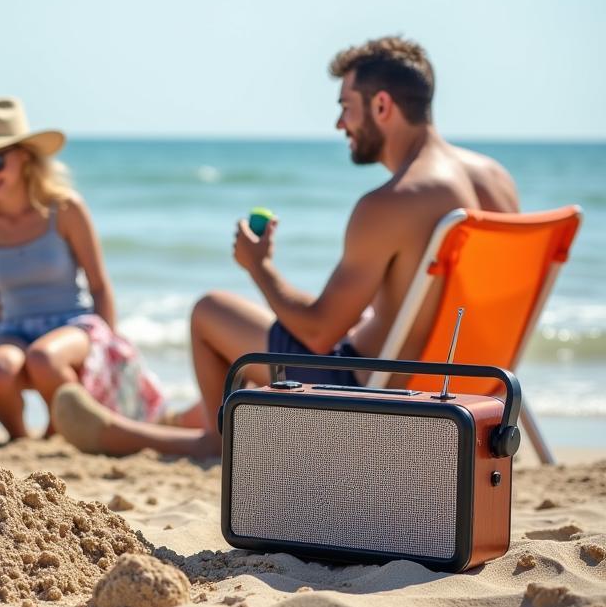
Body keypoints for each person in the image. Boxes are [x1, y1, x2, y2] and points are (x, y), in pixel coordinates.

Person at [52, 36, 520, 457]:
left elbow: (317, 333)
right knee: (330, 327)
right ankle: (174, 419)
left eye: (346, 106)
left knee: (210, 312)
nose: (340, 123)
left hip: (369, 392)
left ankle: (192, 439)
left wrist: (260, 267)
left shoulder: (392, 202)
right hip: (463, 390)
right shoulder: (494, 181)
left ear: (382, 106)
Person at [0, 96, 164, 439]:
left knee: (43, 359)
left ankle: (60, 433)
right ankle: (22, 441)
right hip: (12, 329)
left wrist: (110, 350)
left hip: (73, 325)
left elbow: (98, 286)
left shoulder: (64, 209)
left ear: (24, 155)